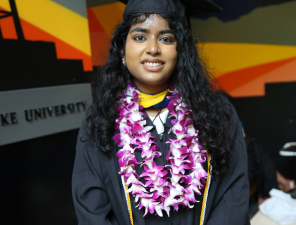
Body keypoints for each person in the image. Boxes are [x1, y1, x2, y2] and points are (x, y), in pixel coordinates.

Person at [72, 0, 250, 224]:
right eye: (139, 37)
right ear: (122, 49)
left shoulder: (216, 113)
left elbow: (232, 198)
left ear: (181, 49)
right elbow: (91, 208)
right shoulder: (101, 119)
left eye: (166, 38)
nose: (153, 49)